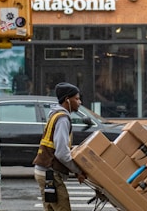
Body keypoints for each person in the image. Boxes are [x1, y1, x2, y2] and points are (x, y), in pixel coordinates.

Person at [33, 82, 86, 211]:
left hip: (43, 171)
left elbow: (59, 145)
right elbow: (61, 153)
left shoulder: (55, 115)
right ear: (67, 100)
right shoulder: (62, 119)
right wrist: (78, 171)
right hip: (50, 173)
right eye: (77, 99)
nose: (79, 102)